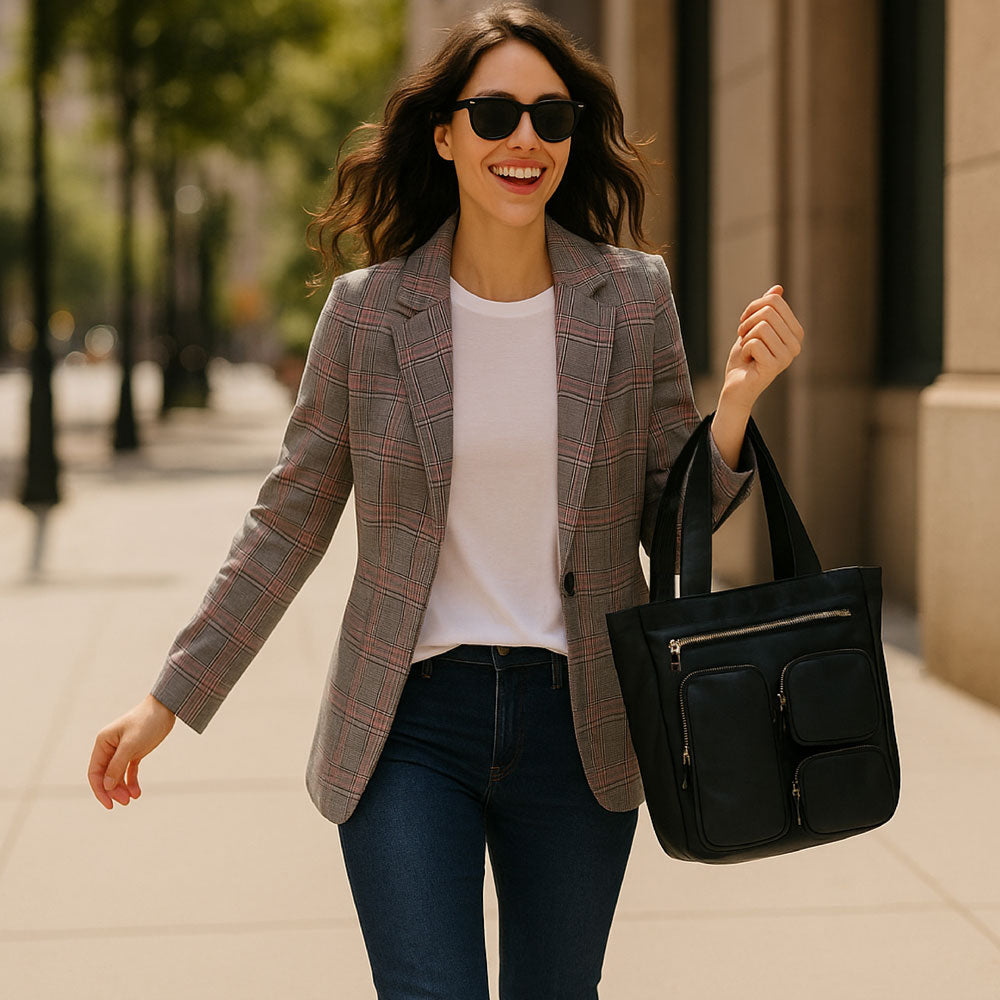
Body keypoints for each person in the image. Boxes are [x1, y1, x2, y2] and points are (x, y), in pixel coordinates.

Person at [88, 2, 805, 996]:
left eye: (551, 119)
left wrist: (732, 408)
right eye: (496, 114)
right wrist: (171, 697)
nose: (525, 140)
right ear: (445, 133)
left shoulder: (631, 299)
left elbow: (664, 513)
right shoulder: (369, 313)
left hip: (580, 724)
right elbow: (287, 521)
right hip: (409, 726)